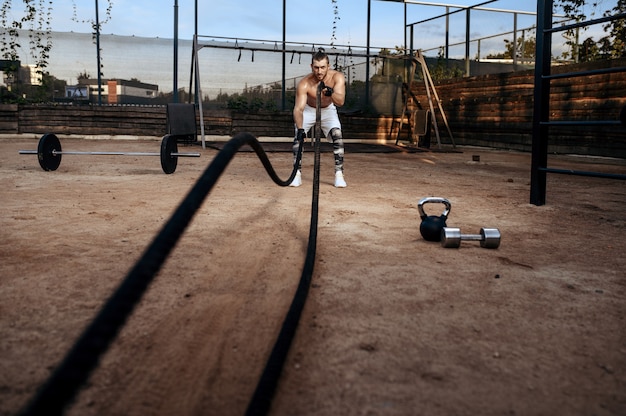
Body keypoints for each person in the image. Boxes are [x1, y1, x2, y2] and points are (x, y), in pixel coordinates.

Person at [290, 48, 347, 188]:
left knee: (337, 135)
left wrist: (330, 93)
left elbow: (340, 102)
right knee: (298, 136)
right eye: (316, 67)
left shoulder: (337, 77)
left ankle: (339, 174)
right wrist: (301, 129)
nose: (319, 71)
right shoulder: (304, 83)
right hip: (309, 110)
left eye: (322, 67)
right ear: (311, 67)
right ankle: (296, 174)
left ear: (328, 66)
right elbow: (298, 109)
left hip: (328, 110)